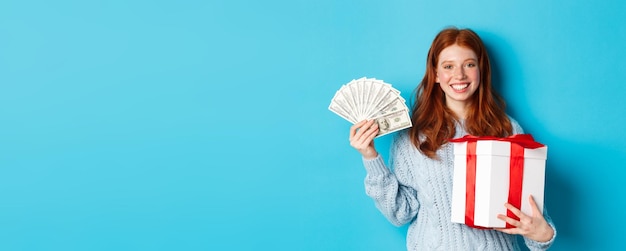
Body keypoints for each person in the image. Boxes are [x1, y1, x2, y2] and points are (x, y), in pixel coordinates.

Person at [348, 27, 556, 251]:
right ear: (436, 74)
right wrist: (370, 157)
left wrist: (544, 233)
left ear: (481, 70)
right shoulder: (412, 136)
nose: (459, 75)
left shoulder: (507, 128)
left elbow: (531, 220)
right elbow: (401, 213)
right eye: (448, 66)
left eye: (469, 64)